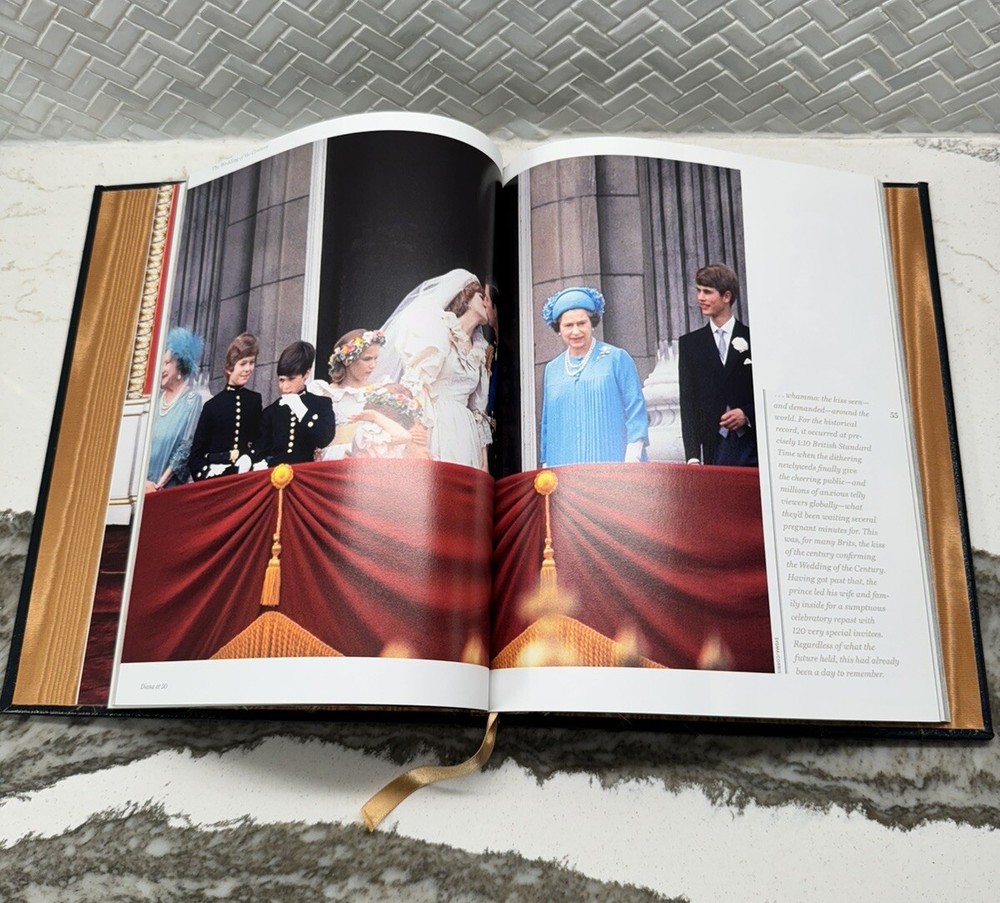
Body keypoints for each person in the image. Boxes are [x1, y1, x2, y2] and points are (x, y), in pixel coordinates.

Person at [379, 268, 495, 470]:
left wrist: (484, 463)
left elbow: (478, 410)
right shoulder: (440, 329)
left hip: (465, 432)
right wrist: (417, 438)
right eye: (481, 297)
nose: (486, 303)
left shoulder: (481, 349)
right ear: (466, 298)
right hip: (436, 422)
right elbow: (417, 385)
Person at [539, 286, 649, 467]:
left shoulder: (616, 358)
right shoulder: (552, 369)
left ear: (592, 323)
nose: (576, 331)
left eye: (582, 323)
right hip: (563, 466)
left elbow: (635, 409)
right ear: (558, 329)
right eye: (568, 325)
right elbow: (547, 424)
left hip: (612, 464)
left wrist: (633, 456)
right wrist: (546, 464)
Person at [678, 263, 757, 467]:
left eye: (707, 292)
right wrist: (693, 457)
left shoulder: (755, 338)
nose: (700, 298)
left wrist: (746, 414)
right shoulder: (689, 344)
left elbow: (767, 392)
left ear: (726, 296)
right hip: (713, 448)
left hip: (752, 446)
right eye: (698, 291)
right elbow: (688, 403)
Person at [190, 333, 263, 480]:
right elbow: (196, 455)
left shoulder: (254, 400)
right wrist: (207, 472)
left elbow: (259, 440)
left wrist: (249, 458)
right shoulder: (212, 406)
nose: (248, 368)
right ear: (229, 368)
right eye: (243, 363)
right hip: (218, 477)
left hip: (245, 476)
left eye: (251, 362)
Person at [307, 328, 387, 460]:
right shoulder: (324, 392)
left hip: (367, 459)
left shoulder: (379, 391)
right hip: (333, 458)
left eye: (375, 358)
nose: (373, 365)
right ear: (347, 361)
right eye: (367, 359)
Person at [145, 327, 204, 493]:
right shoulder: (155, 400)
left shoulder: (192, 401)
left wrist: (158, 485)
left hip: (166, 489)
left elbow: (186, 447)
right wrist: (142, 482)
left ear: (180, 365)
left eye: (166, 363)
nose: (161, 369)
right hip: (142, 485)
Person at [259, 340, 336, 465]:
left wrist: (302, 412)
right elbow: (261, 450)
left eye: (291, 379)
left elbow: (324, 439)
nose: (285, 387)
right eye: (281, 380)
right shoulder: (271, 412)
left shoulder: (321, 404)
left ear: (306, 374)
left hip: (305, 473)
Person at [349, 383, 430, 459]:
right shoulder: (369, 429)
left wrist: (416, 433)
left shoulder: (401, 427)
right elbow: (405, 437)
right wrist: (375, 416)